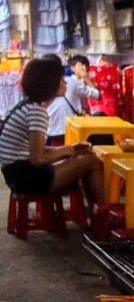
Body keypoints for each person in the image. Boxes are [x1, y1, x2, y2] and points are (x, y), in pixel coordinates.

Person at [0, 56, 103, 203]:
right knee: (92, 161)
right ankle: (102, 214)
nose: (65, 82)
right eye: (61, 80)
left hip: (16, 175)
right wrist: (68, 152)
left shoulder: (28, 106)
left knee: (82, 159)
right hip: (27, 178)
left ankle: (95, 213)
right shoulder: (37, 111)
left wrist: (70, 149)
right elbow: (38, 159)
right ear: (50, 84)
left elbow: (36, 151)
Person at [46, 54, 99, 145]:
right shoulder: (72, 82)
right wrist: (85, 77)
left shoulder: (40, 86)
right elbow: (97, 95)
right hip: (71, 133)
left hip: (50, 134)